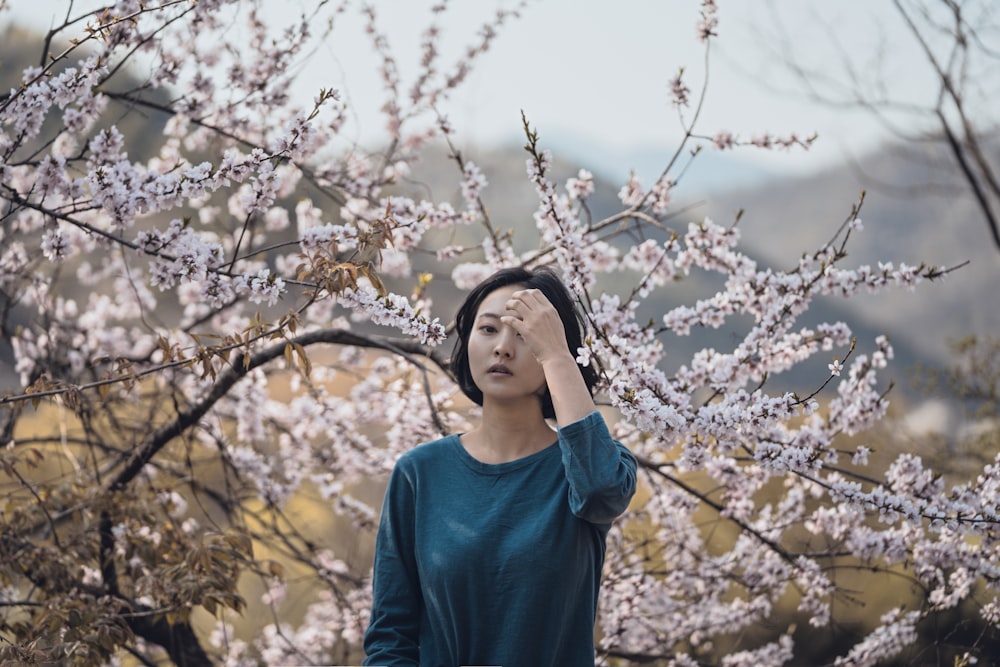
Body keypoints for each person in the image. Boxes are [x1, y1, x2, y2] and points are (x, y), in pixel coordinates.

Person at [363, 266, 637, 667]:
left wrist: (559, 356)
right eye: (488, 329)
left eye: (525, 335)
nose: (503, 348)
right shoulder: (419, 474)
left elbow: (600, 492)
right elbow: (390, 638)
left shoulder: (590, 469)